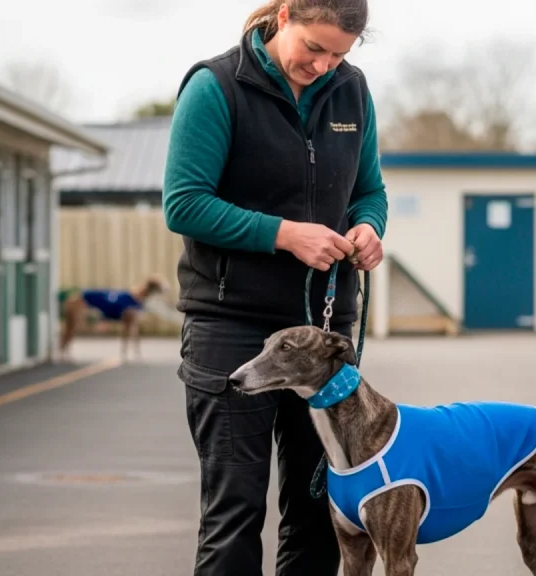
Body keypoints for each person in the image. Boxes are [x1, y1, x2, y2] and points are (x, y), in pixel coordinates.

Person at [161, 0, 387, 574]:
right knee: (234, 513)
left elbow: (369, 190)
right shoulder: (216, 87)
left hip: (323, 338)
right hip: (233, 328)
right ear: (284, 15)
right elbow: (184, 203)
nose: (324, 66)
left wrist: (367, 227)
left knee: (318, 513)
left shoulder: (352, 92)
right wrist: (285, 235)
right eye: (315, 48)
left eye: (340, 54)